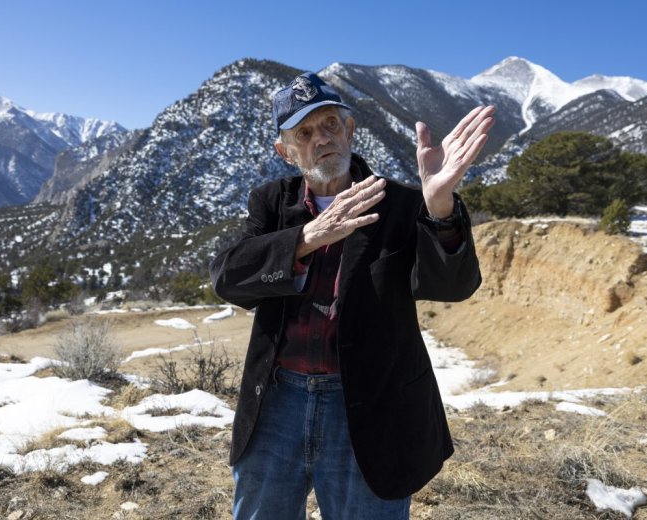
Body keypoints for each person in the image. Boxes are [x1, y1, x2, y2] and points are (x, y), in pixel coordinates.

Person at [210, 71, 494, 519]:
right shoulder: (271, 203)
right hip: (278, 402)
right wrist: (306, 238)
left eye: (330, 125)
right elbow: (228, 276)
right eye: (304, 132)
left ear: (350, 130)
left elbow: (453, 286)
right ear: (285, 152)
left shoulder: (399, 204)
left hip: (369, 403)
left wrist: (439, 207)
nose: (322, 139)